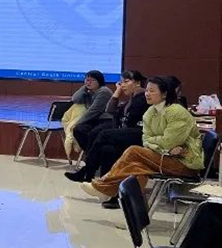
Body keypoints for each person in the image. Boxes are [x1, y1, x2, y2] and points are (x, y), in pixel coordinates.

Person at [82, 76, 204, 204]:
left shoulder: (177, 112)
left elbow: (169, 142)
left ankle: (103, 186)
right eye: (146, 90)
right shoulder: (150, 112)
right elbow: (146, 139)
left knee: (134, 151)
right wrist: (162, 147)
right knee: (136, 166)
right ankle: (133, 211)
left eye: (152, 91)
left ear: (164, 94)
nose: (147, 94)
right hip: (164, 156)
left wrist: (157, 144)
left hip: (184, 163)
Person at [64, 70, 148, 190]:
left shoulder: (142, 98)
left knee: (102, 134)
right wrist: (116, 93)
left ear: (138, 83)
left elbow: (101, 112)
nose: (122, 85)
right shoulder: (131, 99)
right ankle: (104, 186)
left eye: (126, 82)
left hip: (134, 134)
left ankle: (88, 171)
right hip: (124, 131)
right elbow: (111, 110)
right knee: (106, 148)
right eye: (121, 82)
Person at [70, 70, 115, 154]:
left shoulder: (104, 91)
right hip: (94, 120)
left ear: (99, 81)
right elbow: (75, 99)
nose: (89, 82)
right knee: (78, 130)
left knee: (93, 133)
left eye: (92, 80)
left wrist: (77, 122)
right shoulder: (88, 92)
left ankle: (92, 155)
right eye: (87, 80)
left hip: (107, 120)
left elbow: (93, 111)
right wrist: (84, 88)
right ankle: (91, 154)